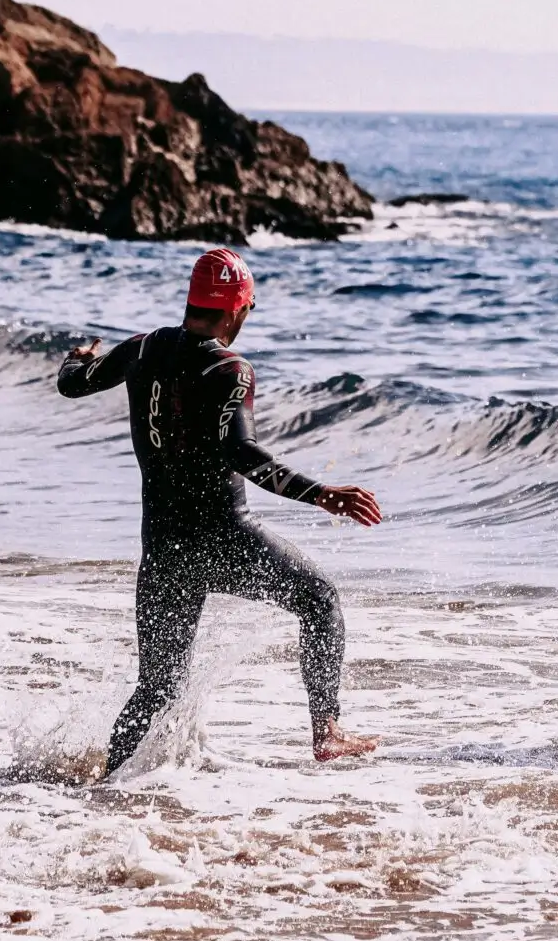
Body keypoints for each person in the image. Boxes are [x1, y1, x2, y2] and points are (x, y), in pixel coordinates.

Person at [58, 248, 384, 774]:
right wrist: (322, 493)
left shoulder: (143, 349)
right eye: (248, 309)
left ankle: (106, 784)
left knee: (156, 687)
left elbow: (74, 382)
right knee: (320, 601)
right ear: (234, 309)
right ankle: (327, 734)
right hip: (224, 541)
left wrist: (78, 355)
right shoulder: (230, 368)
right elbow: (240, 452)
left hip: (163, 549)